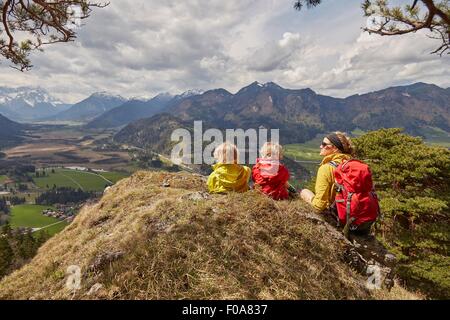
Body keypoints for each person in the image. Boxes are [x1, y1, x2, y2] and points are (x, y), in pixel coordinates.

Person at [300, 132, 354, 212]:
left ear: (335, 148)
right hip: (360, 214)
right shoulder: (352, 163)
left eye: (324, 144)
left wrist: (308, 198)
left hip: (340, 213)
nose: (320, 146)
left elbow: (318, 206)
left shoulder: (326, 168)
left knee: (304, 192)